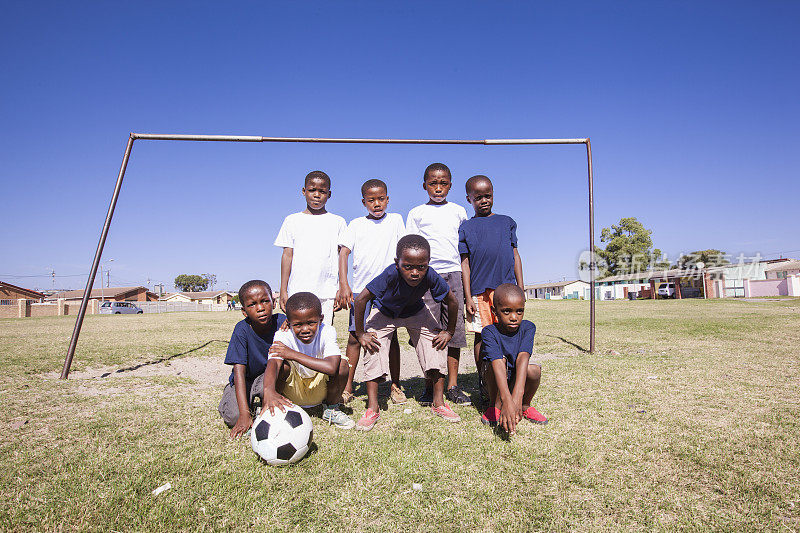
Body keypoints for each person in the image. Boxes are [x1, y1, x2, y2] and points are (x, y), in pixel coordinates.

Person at [353, 234, 461, 431]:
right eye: (408, 266)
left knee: (435, 343)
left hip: (415, 311)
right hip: (385, 311)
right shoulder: (389, 274)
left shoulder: (431, 275)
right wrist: (361, 334)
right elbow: (361, 300)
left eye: (421, 267)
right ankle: (372, 407)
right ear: (397, 263)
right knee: (373, 345)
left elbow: (452, 301)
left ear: (428, 264)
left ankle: (439, 403)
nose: (415, 273)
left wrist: (449, 331)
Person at [336, 178, 407, 405]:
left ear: (388, 199)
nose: (376, 204)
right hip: (361, 290)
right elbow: (344, 253)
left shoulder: (396, 220)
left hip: (390, 291)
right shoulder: (356, 224)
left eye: (381, 199)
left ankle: (395, 385)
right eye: (371, 200)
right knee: (355, 338)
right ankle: (348, 387)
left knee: (391, 337)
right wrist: (344, 284)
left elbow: (403, 250)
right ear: (363, 202)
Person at [405, 163, 470, 406]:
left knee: (453, 330)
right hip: (426, 275)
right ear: (424, 185)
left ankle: (452, 385)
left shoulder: (458, 211)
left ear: (450, 185)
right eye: (433, 183)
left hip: (453, 274)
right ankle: (429, 384)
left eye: (443, 183)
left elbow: (464, 251)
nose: (438, 188)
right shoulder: (416, 213)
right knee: (429, 332)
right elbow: (411, 247)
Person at [458, 174, 524, 398]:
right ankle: (485, 381)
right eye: (478, 197)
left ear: (493, 195)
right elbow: (465, 264)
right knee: (482, 336)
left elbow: (515, 255)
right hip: (479, 291)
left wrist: (520, 289)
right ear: (469, 199)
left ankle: (510, 378)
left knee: (509, 333)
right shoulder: (466, 227)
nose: (484, 200)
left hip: (506, 291)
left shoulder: (507, 222)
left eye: (488, 196)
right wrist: (468, 296)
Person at [262, 292, 355, 429]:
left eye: (311, 323)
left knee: (342, 364)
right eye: (298, 325)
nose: (305, 329)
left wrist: (292, 354)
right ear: (288, 323)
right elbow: (273, 363)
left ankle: (331, 409)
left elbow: (331, 367)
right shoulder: (283, 335)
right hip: (293, 391)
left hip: (321, 390)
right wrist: (268, 391)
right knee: (282, 366)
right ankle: (277, 407)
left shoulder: (327, 331)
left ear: (321, 319)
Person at [274, 170, 346, 326]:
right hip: (297, 291)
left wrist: (341, 287)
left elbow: (342, 257)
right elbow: (287, 255)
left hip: (327, 293)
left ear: (329, 194)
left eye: (322, 191)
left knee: (323, 336)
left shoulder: (338, 222)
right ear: (303, 191)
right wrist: (283, 290)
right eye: (312, 190)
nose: (317, 194)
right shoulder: (292, 220)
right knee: (298, 336)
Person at [218, 280, 286, 438]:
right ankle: (232, 396)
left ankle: (265, 402)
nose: (260, 308)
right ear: (244, 311)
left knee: (284, 368)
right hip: (245, 380)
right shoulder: (241, 330)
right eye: (252, 304)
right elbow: (239, 372)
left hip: (268, 379)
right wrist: (244, 414)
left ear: (273, 302)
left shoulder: (282, 322)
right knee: (233, 417)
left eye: (265, 301)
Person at [479, 283, 547, 433]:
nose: (514, 317)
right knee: (499, 362)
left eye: (519, 311)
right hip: (496, 382)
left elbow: (523, 358)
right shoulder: (489, 332)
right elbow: (496, 363)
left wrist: (517, 396)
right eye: (507, 311)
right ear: (494, 311)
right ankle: (494, 407)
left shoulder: (528, 327)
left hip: (516, 380)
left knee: (534, 370)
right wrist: (507, 400)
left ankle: (525, 406)